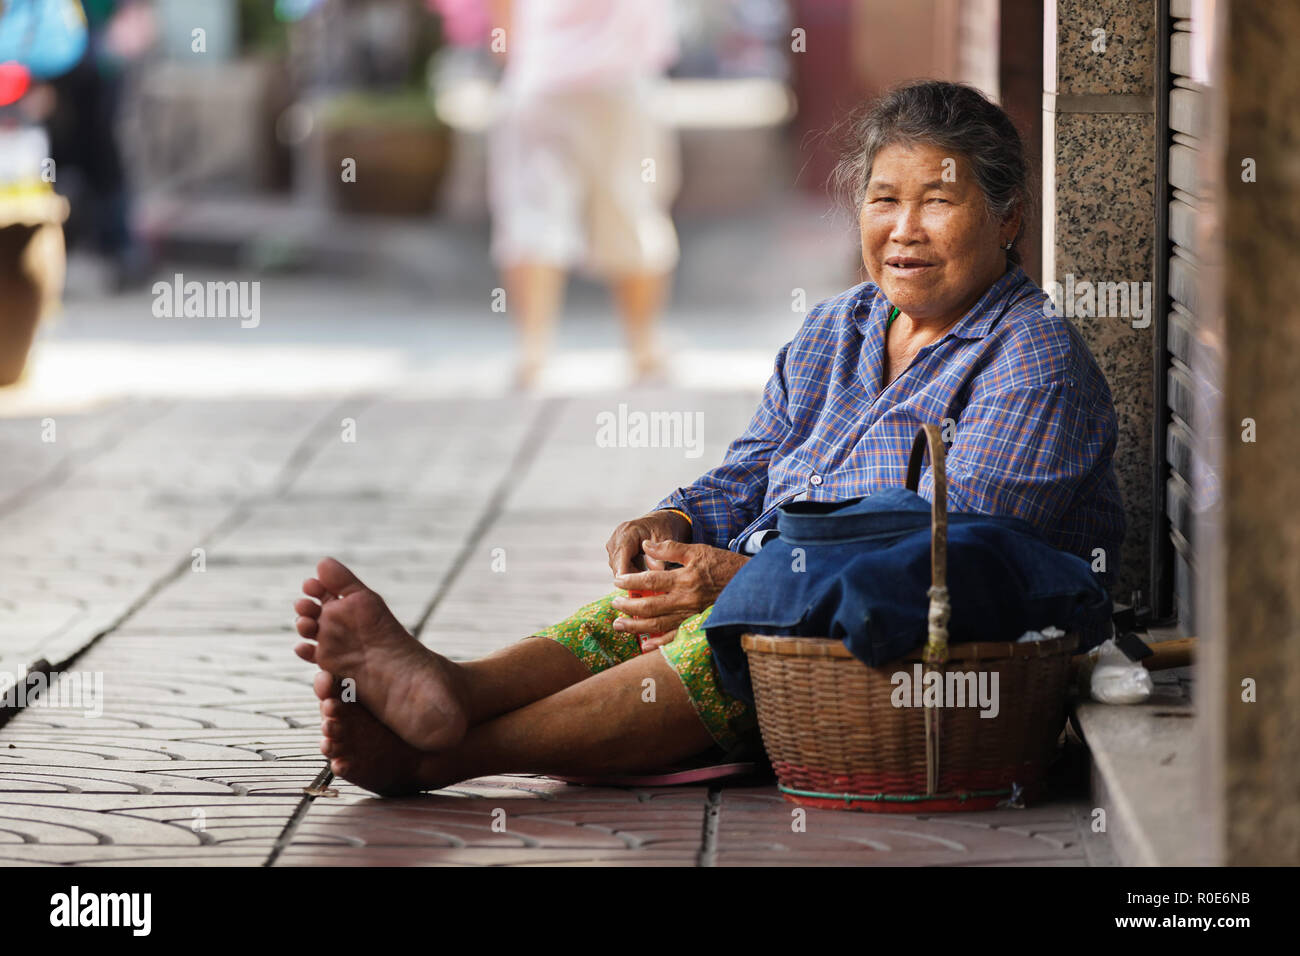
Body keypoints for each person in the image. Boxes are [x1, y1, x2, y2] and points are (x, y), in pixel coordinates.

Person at [292, 80, 1126, 796]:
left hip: (928, 656)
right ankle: (457, 687)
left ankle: (446, 758)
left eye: (938, 201)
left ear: (1008, 215)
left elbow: (953, 563)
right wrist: (679, 524)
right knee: (674, 599)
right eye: (884, 199)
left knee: (746, 622)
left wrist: (752, 581)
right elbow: (757, 465)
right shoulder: (841, 325)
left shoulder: (1032, 358)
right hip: (795, 604)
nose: (904, 229)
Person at [486, 0, 682, 387]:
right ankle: (643, 347)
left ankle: (532, 350)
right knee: (631, 208)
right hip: (620, 77)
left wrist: (513, 52)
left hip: (541, 75)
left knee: (531, 213)